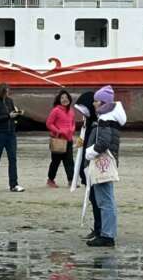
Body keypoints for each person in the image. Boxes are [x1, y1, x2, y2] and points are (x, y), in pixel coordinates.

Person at [84, 85, 127, 247]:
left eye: (96, 101)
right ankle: (106, 234)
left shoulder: (105, 118)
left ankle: (107, 235)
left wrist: (90, 152)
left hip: (103, 163)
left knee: (105, 200)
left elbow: (103, 142)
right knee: (107, 199)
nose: (93, 104)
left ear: (102, 102)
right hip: (110, 161)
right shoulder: (112, 117)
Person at [0, 83, 25, 192]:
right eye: (5, 91)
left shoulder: (9, 101)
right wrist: (8, 116)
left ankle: (14, 184)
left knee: (13, 158)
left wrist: (18, 114)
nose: (7, 93)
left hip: (10, 133)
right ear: (1, 91)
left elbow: (12, 115)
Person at [73, 90, 102, 241]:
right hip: (87, 167)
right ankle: (98, 227)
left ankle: (100, 229)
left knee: (98, 200)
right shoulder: (88, 124)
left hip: (94, 169)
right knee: (93, 199)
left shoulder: (96, 125)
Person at [45, 89, 76, 188]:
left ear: (69, 99)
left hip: (69, 140)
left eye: (66, 97)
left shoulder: (71, 111)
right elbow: (49, 124)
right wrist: (59, 131)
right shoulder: (56, 110)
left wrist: (72, 129)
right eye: (62, 98)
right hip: (58, 140)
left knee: (70, 161)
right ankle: (50, 180)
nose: (64, 99)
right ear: (59, 100)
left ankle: (71, 181)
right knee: (55, 162)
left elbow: (73, 123)